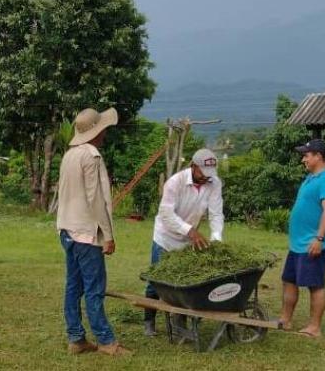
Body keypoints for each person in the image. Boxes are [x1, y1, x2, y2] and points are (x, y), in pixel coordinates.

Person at [55, 107, 131, 357]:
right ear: (98, 131)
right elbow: (95, 199)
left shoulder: (69, 155)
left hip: (67, 230)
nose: (105, 133)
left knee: (73, 286)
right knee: (94, 288)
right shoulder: (91, 156)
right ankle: (106, 341)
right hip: (86, 233)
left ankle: (76, 338)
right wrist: (108, 235)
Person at [143, 148, 225, 336]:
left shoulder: (214, 183)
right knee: (156, 281)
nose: (206, 177)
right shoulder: (175, 182)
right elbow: (166, 214)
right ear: (193, 166)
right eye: (203, 172)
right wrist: (190, 231)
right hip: (165, 237)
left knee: (183, 281)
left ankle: (180, 321)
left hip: (187, 240)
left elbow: (216, 213)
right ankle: (149, 321)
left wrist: (216, 238)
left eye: (210, 173)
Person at [279, 138, 325, 338]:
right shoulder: (311, 178)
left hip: (313, 243)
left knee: (315, 285)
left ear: (318, 156)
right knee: (289, 280)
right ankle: (285, 320)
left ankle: (314, 328)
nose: (303, 159)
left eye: (306, 155)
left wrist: (319, 239)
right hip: (298, 244)